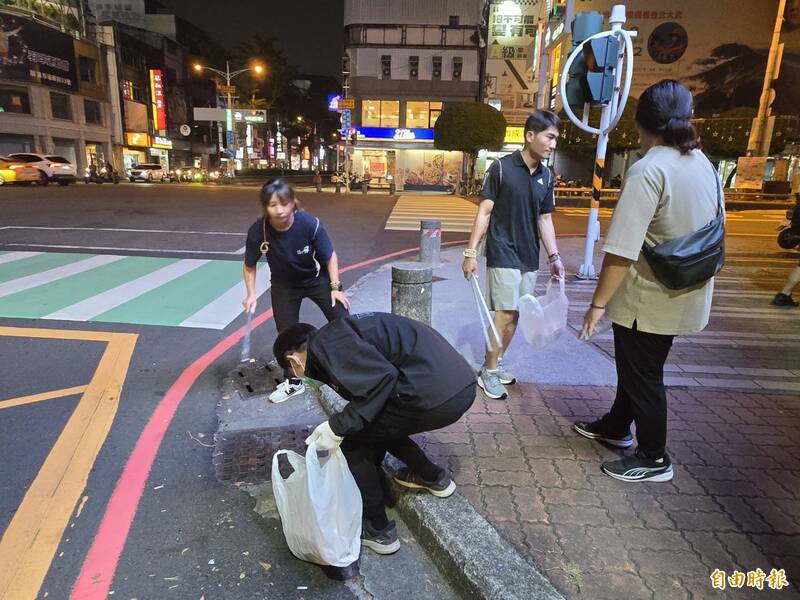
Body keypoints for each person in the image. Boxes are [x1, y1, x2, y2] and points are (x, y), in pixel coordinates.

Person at [576, 80, 723, 483]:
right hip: (687, 289)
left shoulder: (649, 169)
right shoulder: (703, 164)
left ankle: (655, 457)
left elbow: (622, 250)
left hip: (649, 297)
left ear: (642, 124)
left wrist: (596, 306)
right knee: (639, 368)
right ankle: (616, 426)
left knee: (643, 375)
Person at [273, 313, 476, 555]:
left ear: (293, 360)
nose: (298, 377)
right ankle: (432, 476)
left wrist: (337, 427)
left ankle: (378, 530)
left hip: (433, 394)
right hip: (457, 385)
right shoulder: (336, 337)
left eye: (292, 372)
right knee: (376, 423)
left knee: (353, 443)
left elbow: (381, 379)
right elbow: (375, 393)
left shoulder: (330, 346)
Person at [462, 109, 565, 400]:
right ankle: (490, 371)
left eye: (556, 138)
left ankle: (492, 364)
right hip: (503, 249)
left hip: (529, 255)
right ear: (530, 136)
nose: (553, 144)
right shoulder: (502, 168)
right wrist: (471, 253)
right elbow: (484, 211)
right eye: (550, 137)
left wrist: (554, 257)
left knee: (516, 315)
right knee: (504, 312)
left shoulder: (547, 176)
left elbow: (545, 220)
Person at [242, 178, 350, 403]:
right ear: (265, 207)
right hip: (284, 286)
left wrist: (335, 287)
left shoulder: (309, 224)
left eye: (284, 203)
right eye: (272, 205)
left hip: (314, 279)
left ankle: (349, 366)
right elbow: (249, 265)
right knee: (287, 335)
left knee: (342, 319)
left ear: (293, 202)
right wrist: (250, 294)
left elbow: (329, 256)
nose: (279, 210)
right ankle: (293, 381)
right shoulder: (258, 231)